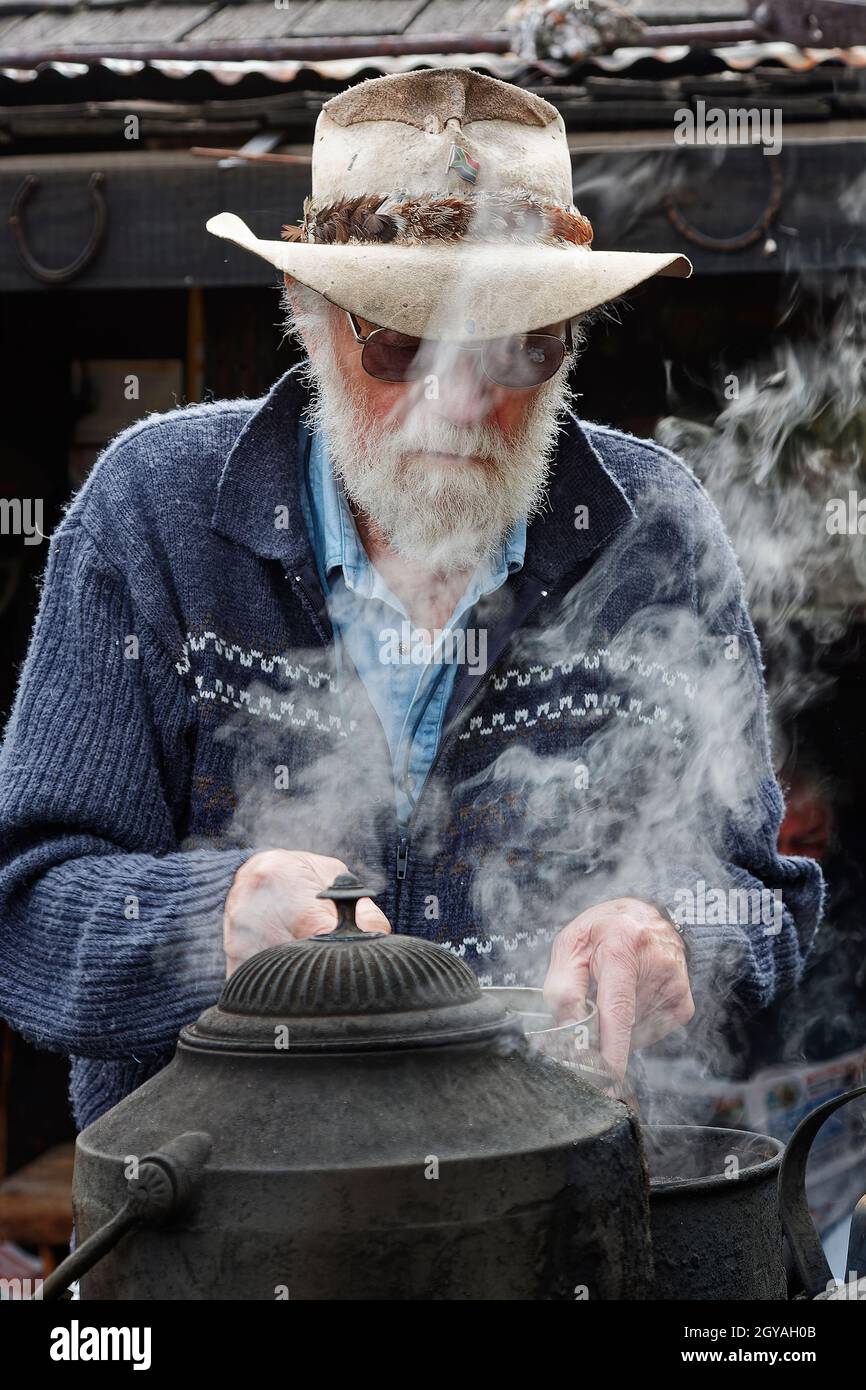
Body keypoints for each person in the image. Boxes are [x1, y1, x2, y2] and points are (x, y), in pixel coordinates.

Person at [0, 69, 822, 1133]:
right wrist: (211, 925)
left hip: (560, 1221)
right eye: (398, 337)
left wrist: (670, 937)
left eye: (516, 342)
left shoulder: (654, 528)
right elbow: (25, 913)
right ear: (305, 311)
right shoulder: (152, 515)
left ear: (567, 342)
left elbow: (758, 897)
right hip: (218, 1237)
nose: (460, 396)